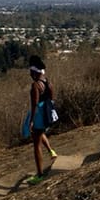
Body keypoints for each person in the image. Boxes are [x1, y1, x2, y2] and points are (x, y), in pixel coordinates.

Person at [23, 55, 57, 184]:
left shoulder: (35, 86)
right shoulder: (48, 82)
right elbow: (52, 99)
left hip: (38, 115)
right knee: (40, 133)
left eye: (31, 72)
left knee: (36, 145)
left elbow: (34, 104)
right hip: (46, 114)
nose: (30, 74)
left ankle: (40, 174)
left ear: (34, 72)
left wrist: (31, 121)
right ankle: (51, 151)